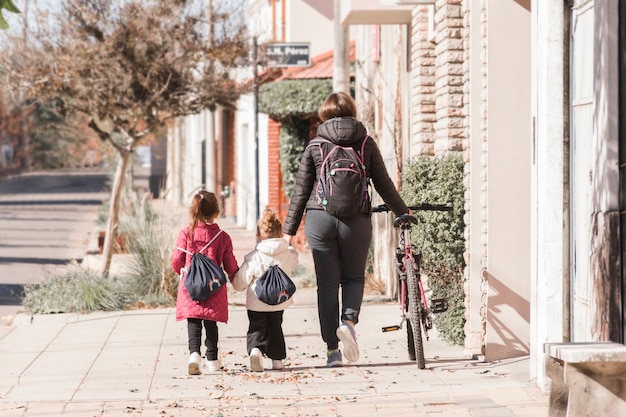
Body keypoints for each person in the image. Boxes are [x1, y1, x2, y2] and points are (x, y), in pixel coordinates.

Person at [282, 92, 410, 367]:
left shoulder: (315, 145)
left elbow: (301, 190)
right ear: (351, 111)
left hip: (319, 218)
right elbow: (384, 184)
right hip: (357, 220)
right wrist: (403, 211)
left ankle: (332, 353)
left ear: (324, 114)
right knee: (353, 278)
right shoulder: (365, 143)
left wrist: (288, 230)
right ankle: (348, 322)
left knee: (327, 285)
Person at [171, 191, 239, 375]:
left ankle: (194, 355)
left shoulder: (186, 234)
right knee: (211, 322)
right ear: (217, 212)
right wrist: (236, 277)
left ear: (193, 211)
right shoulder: (222, 237)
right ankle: (213, 359)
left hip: (190, 285)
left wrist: (181, 272)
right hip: (213, 287)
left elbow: (176, 260)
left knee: (193, 321)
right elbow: (230, 263)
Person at [232, 208, 299, 372]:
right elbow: (295, 260)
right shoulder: (289, 254)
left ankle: (256, 350)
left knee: (257, 327)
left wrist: (235, 284)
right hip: (278, 301)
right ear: (280, 232)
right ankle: (277, 360)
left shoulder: (254, 257)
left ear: (258, 235)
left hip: (257, 301)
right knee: (276, 327)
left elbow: (242, 281)